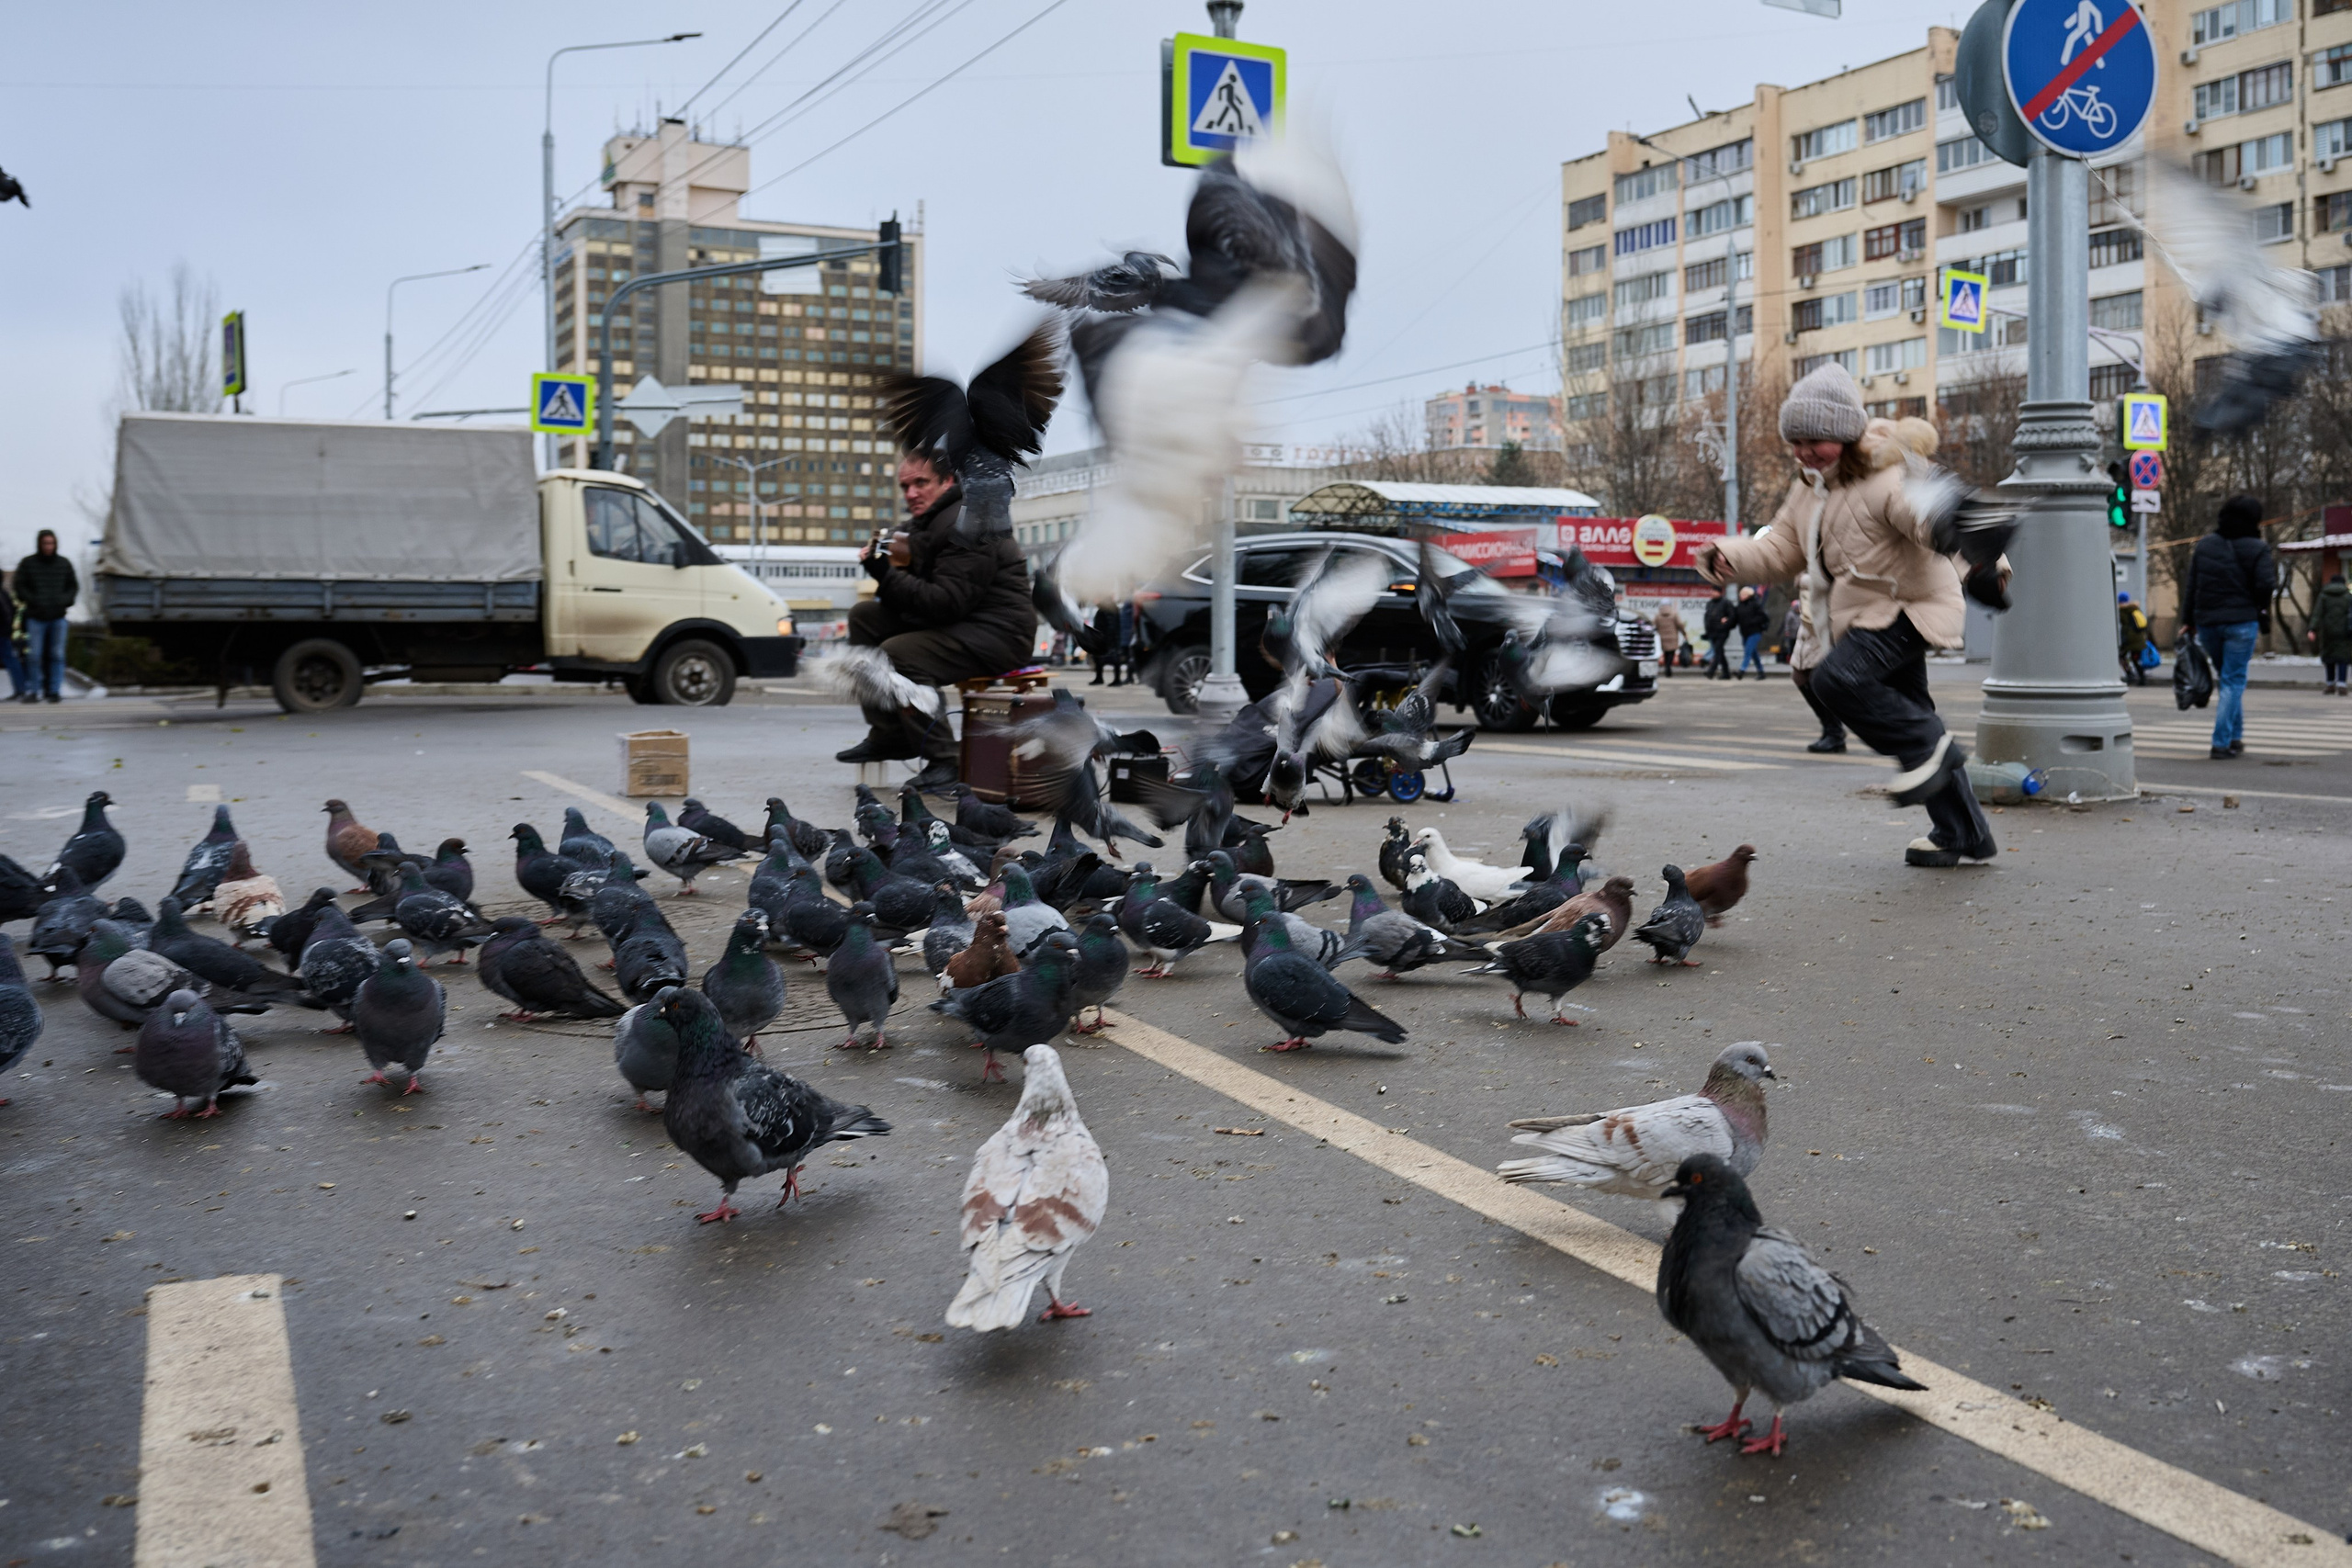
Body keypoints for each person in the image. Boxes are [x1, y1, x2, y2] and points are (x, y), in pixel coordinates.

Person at [1695, 362, 1996, 868]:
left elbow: (1932, 517)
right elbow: (1781, 545)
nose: (1804, 452)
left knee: (1835, 682)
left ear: (1843, 432)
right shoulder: (1809, 489)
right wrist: (1733, 555)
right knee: (1912, 720)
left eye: (1816, 440)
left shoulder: (1887, 474)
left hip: (1911, 608)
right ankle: (1963, 832)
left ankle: (1932, 750)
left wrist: (1988, 563)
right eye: (1796, 442)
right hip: (1864, 616)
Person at [834, 451, 1040, 791]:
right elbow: (926, 592)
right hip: (963, 624)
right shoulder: (926, 522)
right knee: (864, 618)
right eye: (905, 486)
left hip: (1000, 634)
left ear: (948, 481)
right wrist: (883, 552)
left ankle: (944, 758)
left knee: (900, 652)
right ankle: (890, 735)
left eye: (921, 483)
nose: (911, 493)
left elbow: (945, 604)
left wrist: (885, 574)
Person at [2178, 494, 2277, 760]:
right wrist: (2257, 603)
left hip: (2208, 623)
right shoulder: (2257, 548)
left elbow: (2192, 586)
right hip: (2241, 623)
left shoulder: (2205, 545)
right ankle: (2220, 743)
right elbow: (2266, 584)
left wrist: (2187, 621)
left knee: (2229, 679)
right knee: (2233, 681)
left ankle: (2235, 736)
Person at [9, 529, 76, 705]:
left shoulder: (64, 564)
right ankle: (34, 690)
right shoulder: (28, 563)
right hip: (35, 617)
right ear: (39, 544)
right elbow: (19, 586)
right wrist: (33, 601)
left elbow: (73, 586)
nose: (48, 547)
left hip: (58, 617)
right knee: (34, 655)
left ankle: (54, 691)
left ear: (55, 544)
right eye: (45, 543)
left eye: (51, 543)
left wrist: (64, 601)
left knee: (57, 655)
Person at [1787, 587, 1846, 753]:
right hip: (1807, 633)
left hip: (1823, 628)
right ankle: (1830, 730)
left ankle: (1834, 734)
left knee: (1818, 680)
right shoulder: (1805, 574)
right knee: (1800, 677)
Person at [2312, 570, 2352, 695]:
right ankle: (2342, 685)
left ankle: (2330, 684)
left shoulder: (2324, 595)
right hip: (2345, 633)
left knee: (2329, 658)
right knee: (2342, 658)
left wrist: (2312, 629)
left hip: (2327, 632)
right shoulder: (2348, 596)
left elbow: (2317, 614)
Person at [2116, 591, 2151, 686]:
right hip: (2138, 639)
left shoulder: (2123, 611)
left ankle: (2130, 674)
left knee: (2121, 656)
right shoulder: (2135, 609)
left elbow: (2123, 624)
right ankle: (2141, 678)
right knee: (2135, 659)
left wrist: (2124, 640)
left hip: (2130, 639)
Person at [1734, 586, 1769, 679]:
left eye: (1743, 594)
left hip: (1755, 632)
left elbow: (1763, 617)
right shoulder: (1739, 606)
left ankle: (1741, 671)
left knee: (1748, 652)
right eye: (1741, 594)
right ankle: (1761, 672)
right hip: (1745, 633)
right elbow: (1735, 619)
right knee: (1754, 653)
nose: (1741, 596)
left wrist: (1751, 621)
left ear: (1749, 595)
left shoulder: (1755, 605)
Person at [1702, 588, 1736, 679]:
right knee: (1719, 652)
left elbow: (1732, 616)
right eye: (1712, 591)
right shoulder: (1710, 603)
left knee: (1718, 650)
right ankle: (1726, 673)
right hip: (1712, 632)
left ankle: (1711, 671)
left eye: (1715, 592)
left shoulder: (1726, 603)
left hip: (1722, 631)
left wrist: (1726, 622)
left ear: (1720, 593)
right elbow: (1707, 616)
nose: (1712, 593)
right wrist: (1707, 629)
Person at [1651, 602, 1681, 677]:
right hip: (1673, 638)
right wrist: (1684, 633)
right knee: (1671, 653)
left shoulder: (1657, 616)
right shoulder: (1674, 615)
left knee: (1665, 654)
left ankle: (1666, 666)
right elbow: (1680, 625)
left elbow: (1653, 626)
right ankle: (1668, 666)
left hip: (1662, 638)